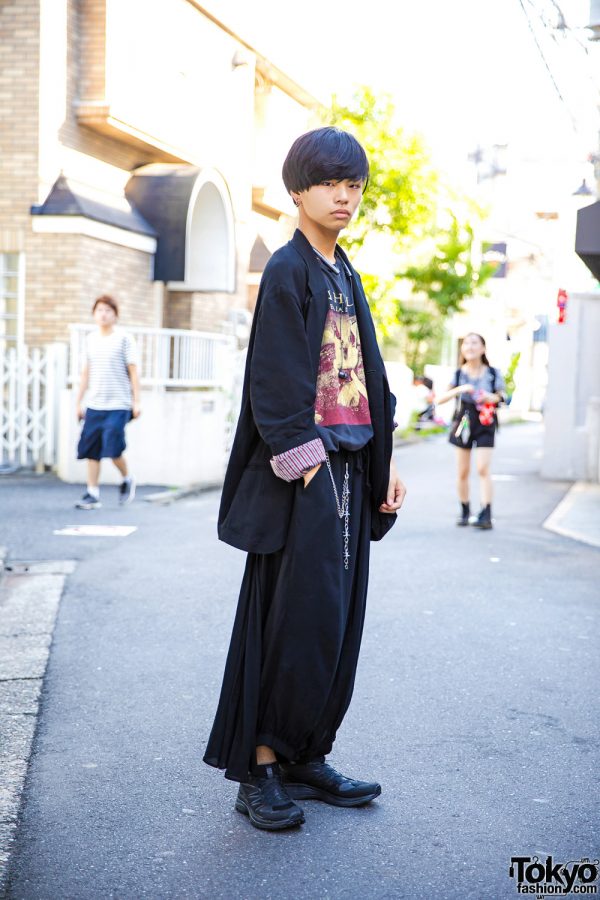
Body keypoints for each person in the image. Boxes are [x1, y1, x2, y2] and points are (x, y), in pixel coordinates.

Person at [203, 127, 406, 831]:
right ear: (298, 191)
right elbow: (275, 384)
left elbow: (366, 381)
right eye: (330, 183)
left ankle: (305, 755)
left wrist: (387, 464)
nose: (345, 195)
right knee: (290, 622)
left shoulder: (344, 272)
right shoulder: (289, 270)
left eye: (354, 184)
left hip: (351, 468)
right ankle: (259, 767)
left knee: (335, 623)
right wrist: (310, 470)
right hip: (305, 478)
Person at [74, 295, 140, 509]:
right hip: (94, 404)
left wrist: (136, 401)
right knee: (91, 450)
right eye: (99, 310)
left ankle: (127, 478)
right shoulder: (90, 339)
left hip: (118, 405)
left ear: (115, 315)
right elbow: (86, 373)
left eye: (108, 310)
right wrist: (78, 402)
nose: (103, 314)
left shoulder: (124, 339)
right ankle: (92, 493)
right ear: (94, 314)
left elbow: (133, 371)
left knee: (113, 449)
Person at [436, 333, 505, 529]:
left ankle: (486, 513)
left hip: (485, 421)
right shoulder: (458, 374)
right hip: (463, 423)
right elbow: (440, 399)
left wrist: (490, 397)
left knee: (483, 468)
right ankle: (465, 510)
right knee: (463, 471)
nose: (470, 346)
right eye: (466, 343)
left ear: (483, 348)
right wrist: (460, 389)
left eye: (475, 343)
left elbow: (503, 397)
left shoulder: (492, 373)